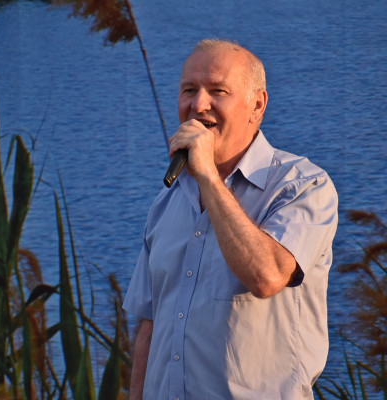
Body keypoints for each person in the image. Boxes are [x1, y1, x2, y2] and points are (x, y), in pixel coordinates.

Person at [123, 38, 338, 400]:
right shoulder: (168, 201)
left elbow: (267, 276)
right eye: (189, 90)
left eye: (217, 91)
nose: (198, 105)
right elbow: (149, 327)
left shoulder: (302, 186)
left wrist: (208, 176)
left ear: (257, 105)